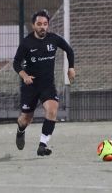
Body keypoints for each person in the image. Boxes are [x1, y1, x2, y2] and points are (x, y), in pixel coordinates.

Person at [13, 9, 75, 156]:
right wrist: (24, 75)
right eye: (39, 24)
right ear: (33, 25)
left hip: (47, 85)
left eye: (45, 24)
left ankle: (42, 145)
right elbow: (16, 63)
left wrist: (71, 68)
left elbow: (69, 50)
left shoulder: (53, 39)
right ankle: (20, 130)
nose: (42, 27)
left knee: (52, 109)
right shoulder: (26, 43)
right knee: (25, 119)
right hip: (30, 86)